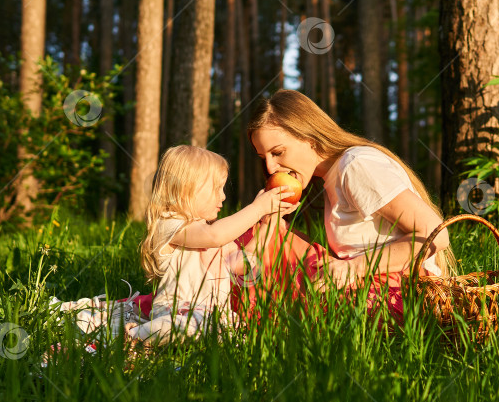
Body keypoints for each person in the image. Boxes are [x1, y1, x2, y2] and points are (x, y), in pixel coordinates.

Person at [247, 89, 457, 323]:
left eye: (278, 152)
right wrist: (270, 220)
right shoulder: (334, 174)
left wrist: (353, 268)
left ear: (309, 137)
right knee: (262, 233)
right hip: (375, 281)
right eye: (263, 157)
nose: (270, 167)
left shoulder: (356, 165)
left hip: (401, 289)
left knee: (255, 241)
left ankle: (237, 320)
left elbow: (437, 234)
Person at [131, 145, 297, 344]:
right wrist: (257, 208)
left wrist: (267, 226)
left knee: (238, 336)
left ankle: (150, 339)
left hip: (215, 318)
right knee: (180, 326)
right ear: (186, 189)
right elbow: (214, 236)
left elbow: (243, 264)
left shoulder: (211, 232)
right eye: (217, 188)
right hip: (177, 312)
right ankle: (133, 337)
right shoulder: (169, 226)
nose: (224, 196)